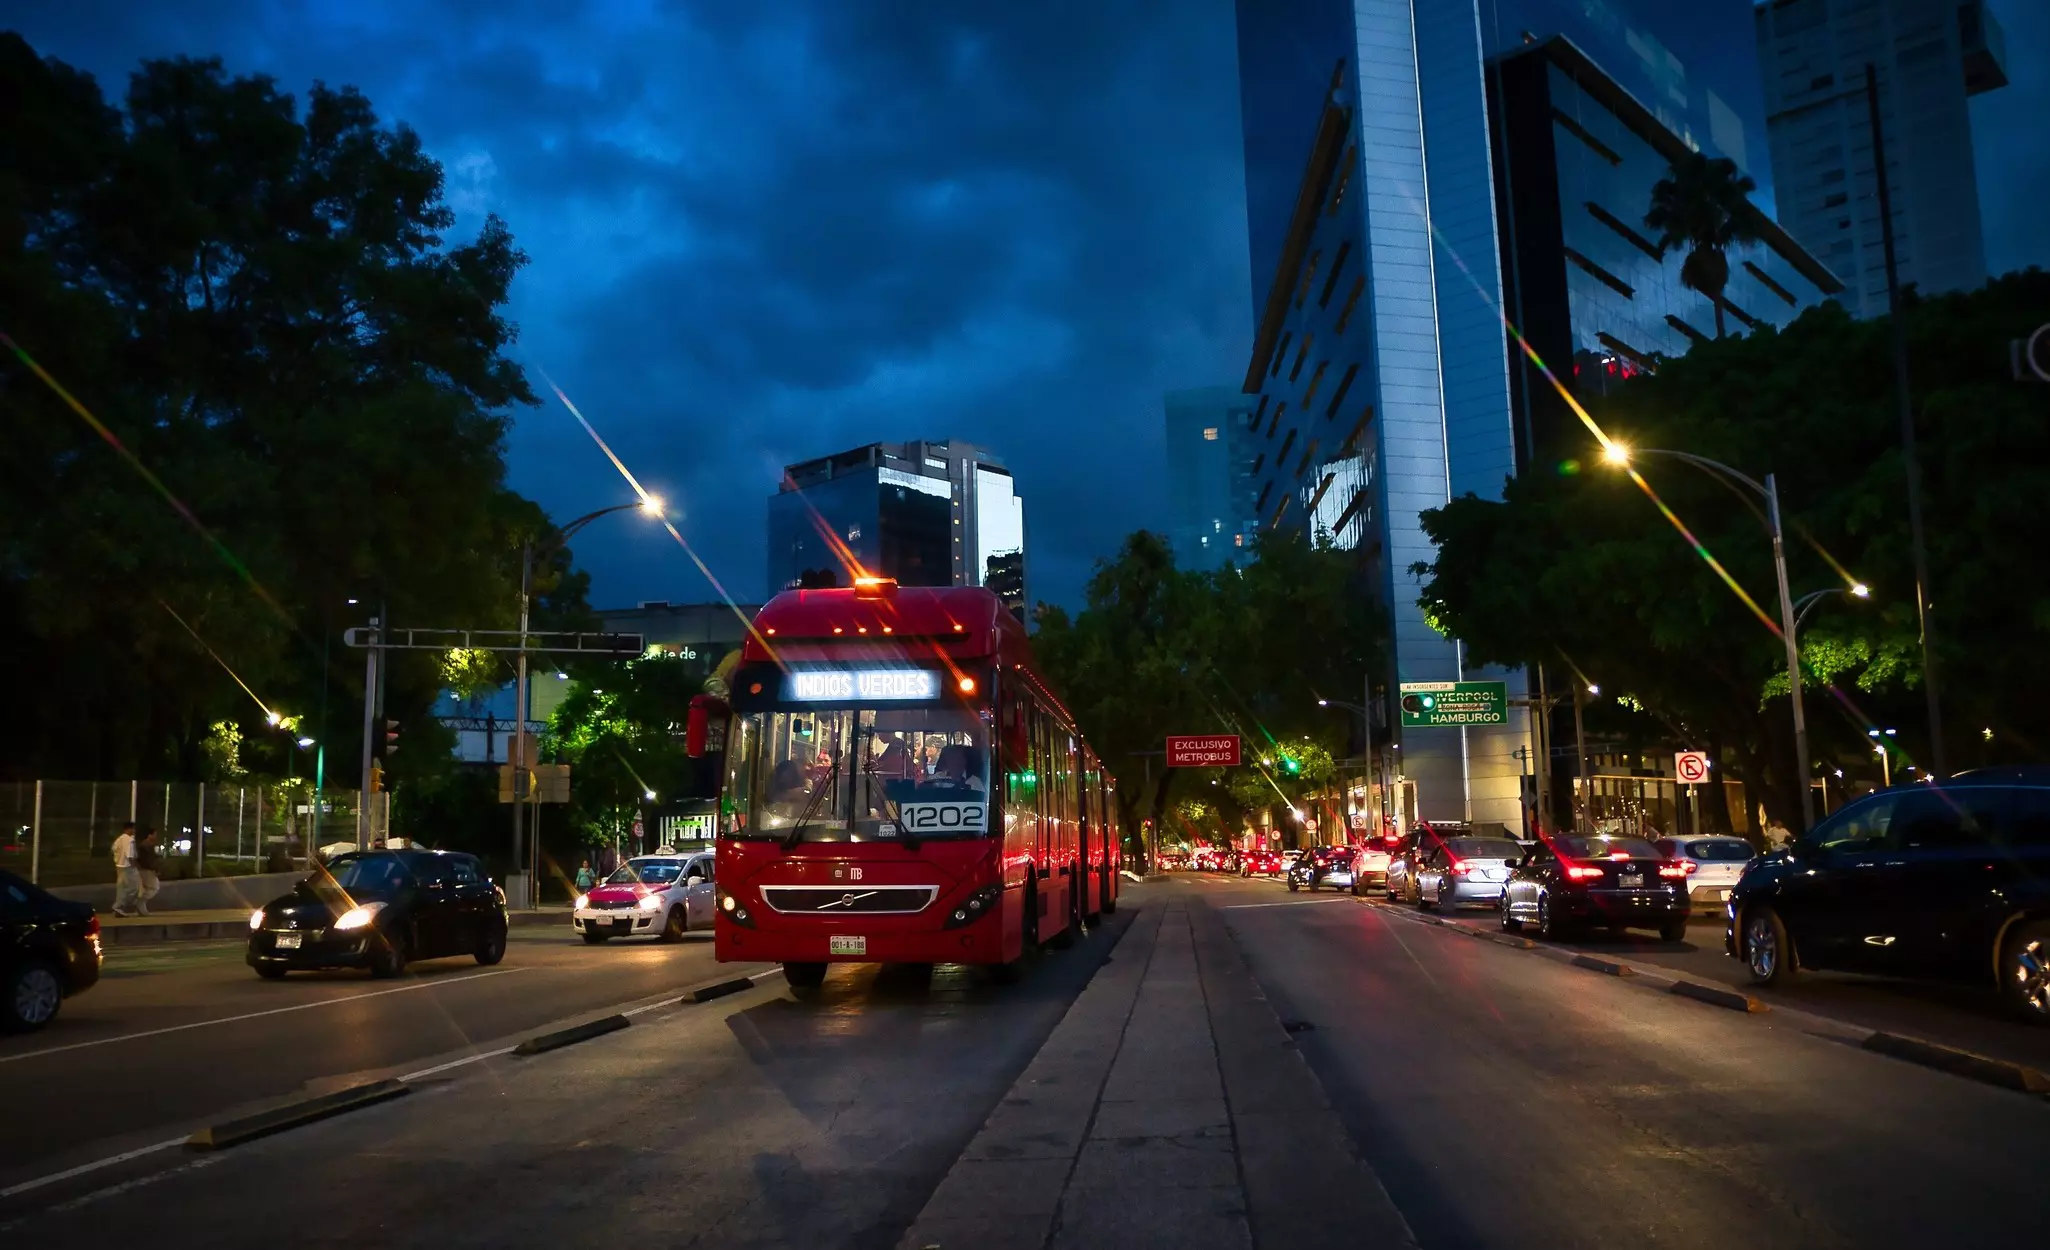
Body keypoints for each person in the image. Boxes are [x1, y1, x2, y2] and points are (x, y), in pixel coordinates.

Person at [110, 821, 141, 917]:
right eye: (133, 828)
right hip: (128, 867)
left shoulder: (119, 839)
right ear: (129, 829)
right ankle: (118, 906)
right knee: (133, 888)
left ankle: (118, 908)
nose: (134, 830)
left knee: (122, 888)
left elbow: (113, 849)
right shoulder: (129, 840)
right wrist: (134, 866)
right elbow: (130, 855)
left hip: (119, 866)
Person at [135, 827, 163, 916]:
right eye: (154, 834)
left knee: (149, 888)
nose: (156, 836)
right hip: (147, 870)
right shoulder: (146, 846)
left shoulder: (146, 845)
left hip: (145, 869)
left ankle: (141, 908)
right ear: (149, 835)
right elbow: (148, 860)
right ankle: (140, 902)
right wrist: (154, 869)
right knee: (154, 887)